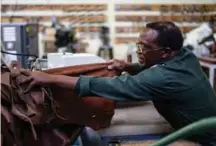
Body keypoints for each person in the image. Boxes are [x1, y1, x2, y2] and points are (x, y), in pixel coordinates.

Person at [14, 21, 216, 145]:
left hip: (203, 139)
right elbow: (154, 70)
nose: (139, 50)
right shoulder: (184, 56)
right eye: (139, 44)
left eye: (145, 47)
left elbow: (109, 87)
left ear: (164, 52)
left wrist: (49, 78)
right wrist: (129, 66)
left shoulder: (164, 78)